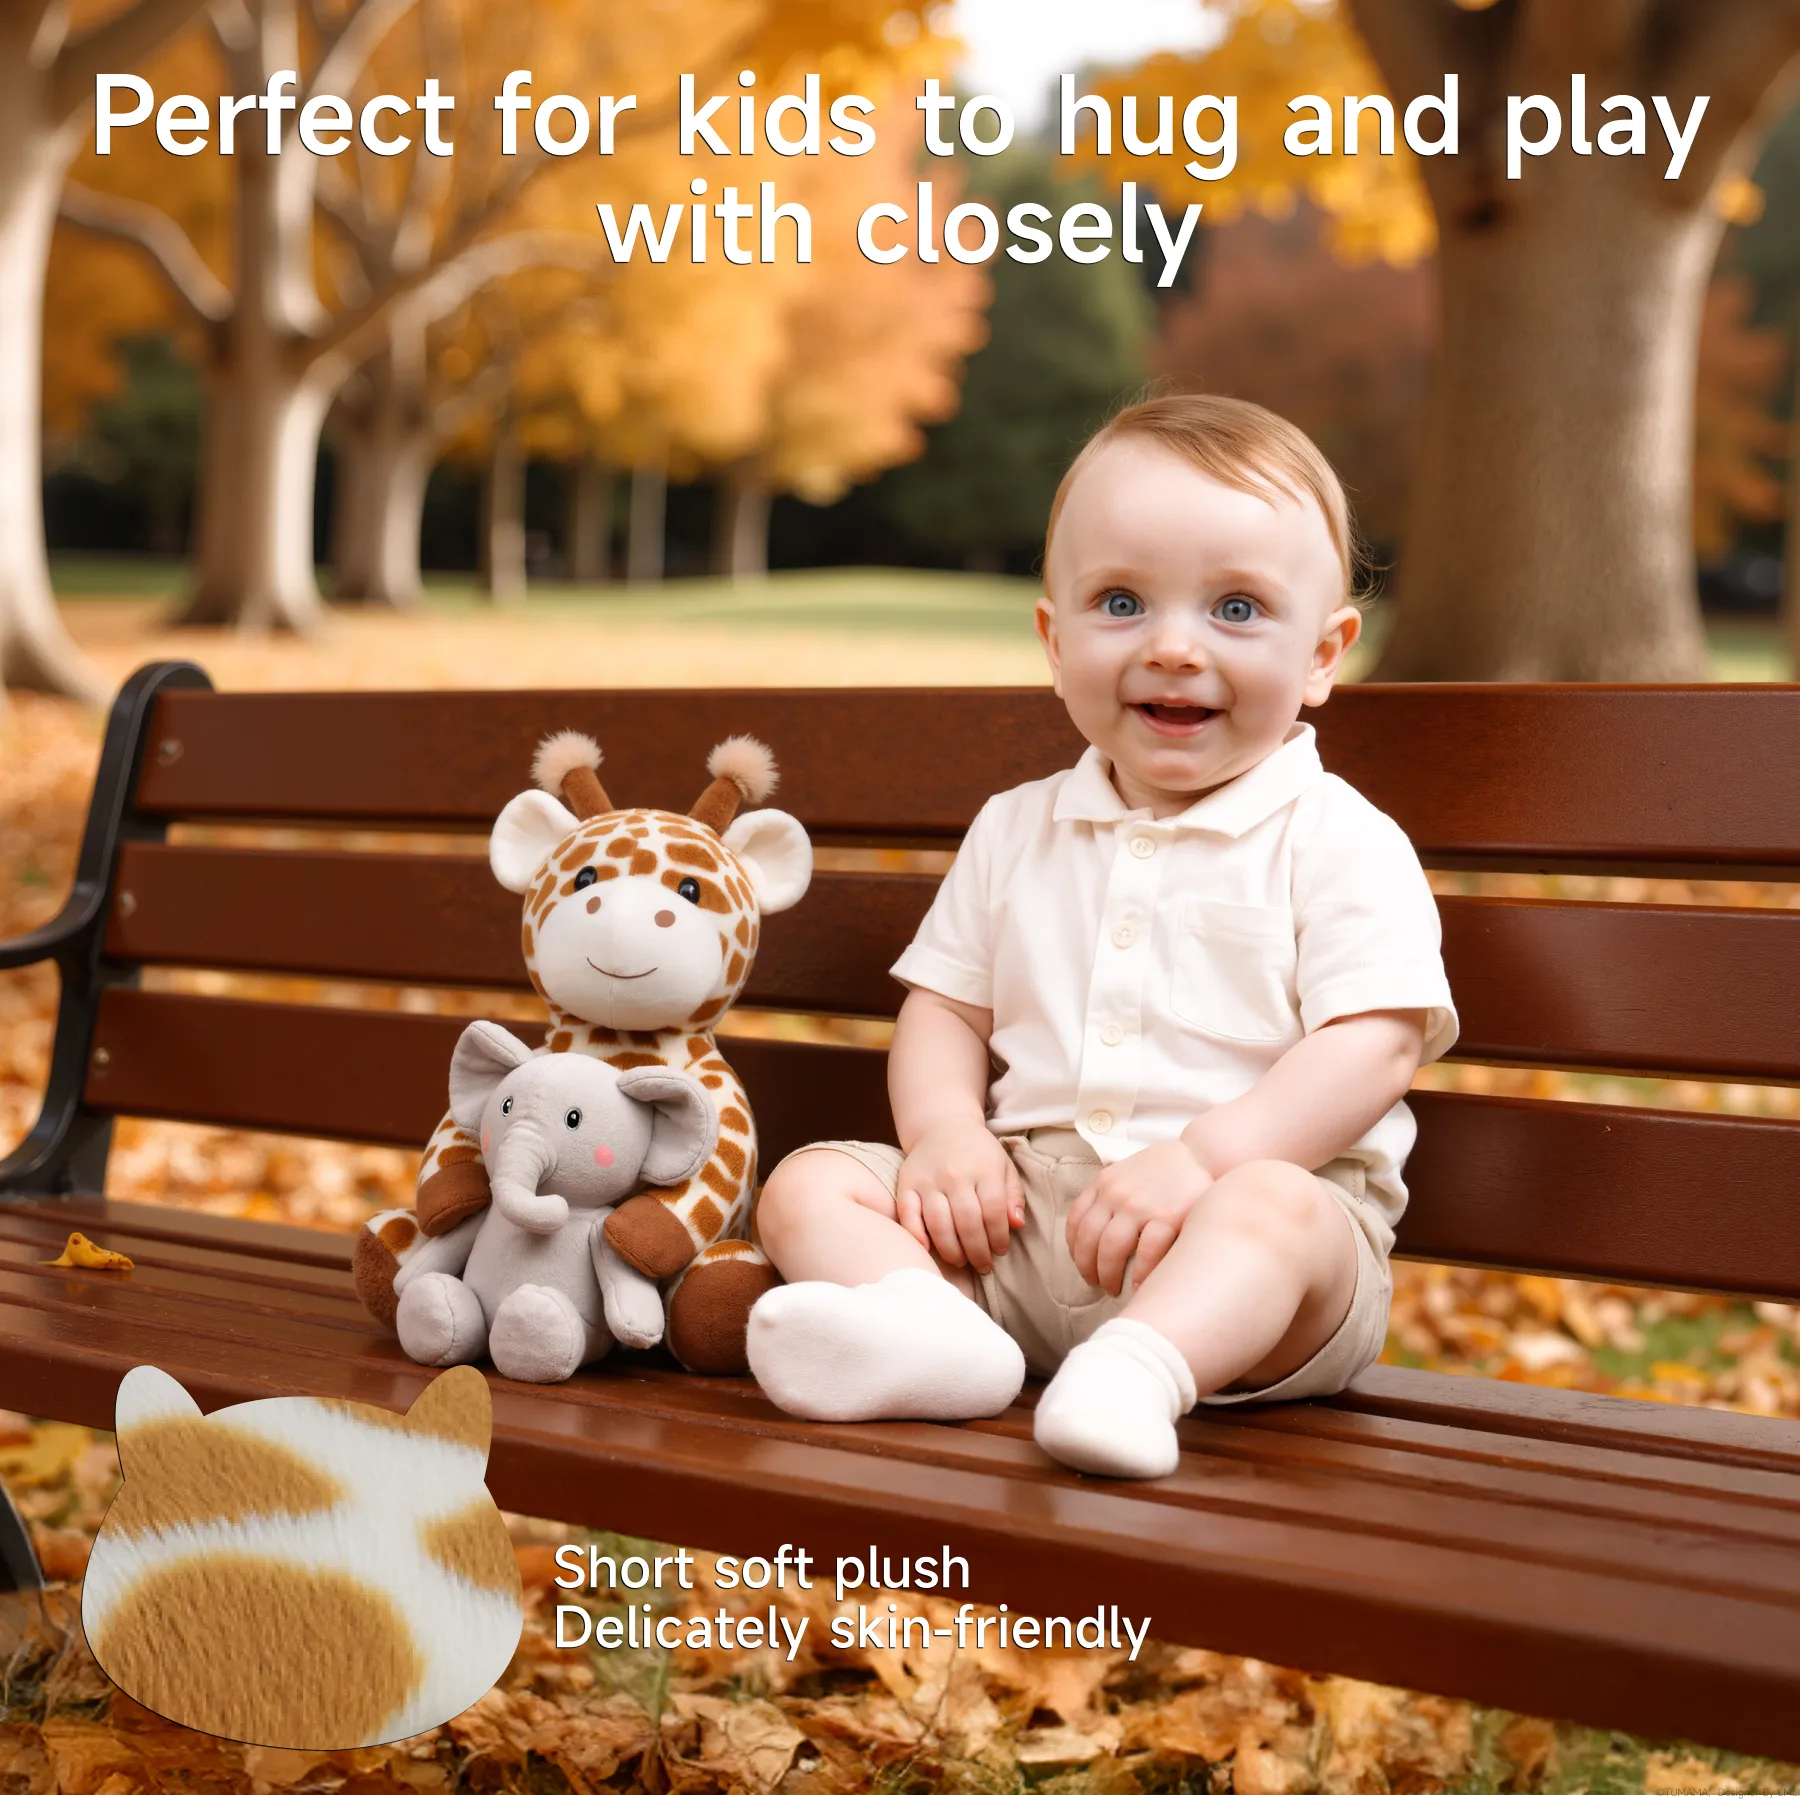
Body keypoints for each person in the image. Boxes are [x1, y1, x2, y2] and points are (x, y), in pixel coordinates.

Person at [744, 394, 1458, 1480]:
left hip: (1253, 1250)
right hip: (1021, 1220)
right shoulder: (1018, 826)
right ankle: (937, 1337)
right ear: (1055, 637)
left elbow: (1377, 1044)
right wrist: (943, 1136)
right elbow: (946, 1006)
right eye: (1121, 601)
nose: (1173, 647)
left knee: (1277, 1211)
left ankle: (1142, 1372)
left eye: (1236, 609)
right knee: (808, 1186)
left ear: (1323, 655)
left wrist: (1206, 1159)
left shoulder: (1336, 838)